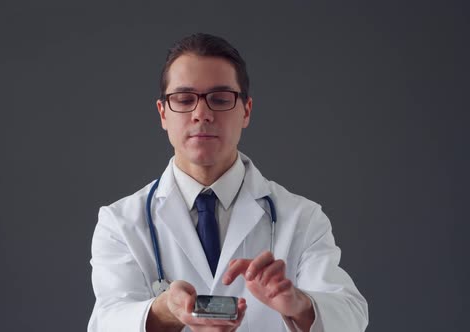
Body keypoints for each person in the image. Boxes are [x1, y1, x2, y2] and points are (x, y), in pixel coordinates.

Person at [88, 33, 368, 332]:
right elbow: (107, 322)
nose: (202, 114)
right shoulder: (120, 222)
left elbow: (351, 315)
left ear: (246, 110)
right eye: (184, 99)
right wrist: (165, 309)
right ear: (163, 113)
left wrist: (297, 303)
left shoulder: (302, 218)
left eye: (220, 99)